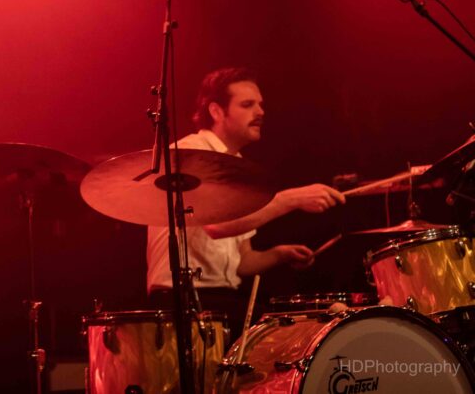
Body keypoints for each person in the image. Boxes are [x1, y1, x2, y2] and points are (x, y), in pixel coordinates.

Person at [145, 67, 346, 333]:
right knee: (287, 332)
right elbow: (217, 226)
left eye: (260, 105)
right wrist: (290, 199)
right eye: (247, 105)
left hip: (221, 297)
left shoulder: (240, 170)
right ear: (216, 111)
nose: (260, 112)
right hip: (180, 298)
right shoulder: (190, 153)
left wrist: (280, 254)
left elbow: (242, 262)